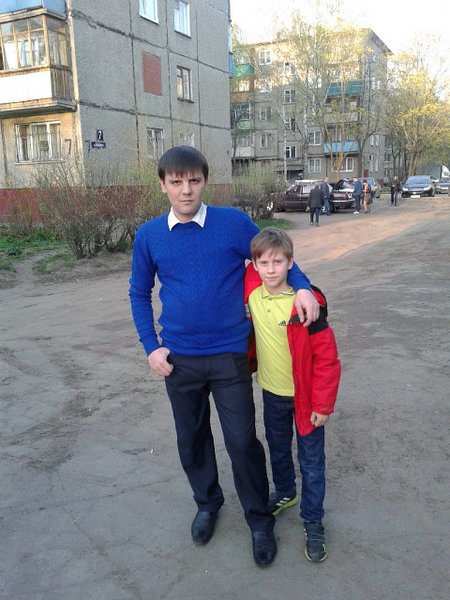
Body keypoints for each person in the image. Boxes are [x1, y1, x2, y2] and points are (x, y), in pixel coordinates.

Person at [129, 146, 320, 567]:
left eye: (194, 181)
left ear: (205, 182)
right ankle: (207, 503)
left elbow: (276, 256)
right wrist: (150, 346)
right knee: (192, 438)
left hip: (229, 354)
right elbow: (139, 293)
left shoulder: (232, 224)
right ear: (163, 185)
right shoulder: (149, 235)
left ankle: (258, 520)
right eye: (176, 182)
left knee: (241, 440)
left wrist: (304, 287)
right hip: (179, 359)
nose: (186, 190)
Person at [244, 228, 341, 562]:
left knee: (311, 463)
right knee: (278, 449)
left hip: (306, 400)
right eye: (264, 263)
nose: (271, 269)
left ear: (291, 263)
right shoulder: (252, 295)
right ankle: (286, 491)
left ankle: (313, 521)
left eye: (278, 262)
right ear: (255, 265)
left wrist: (323, 405)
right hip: (272, 394)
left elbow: (328, 359)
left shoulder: (307, 306)